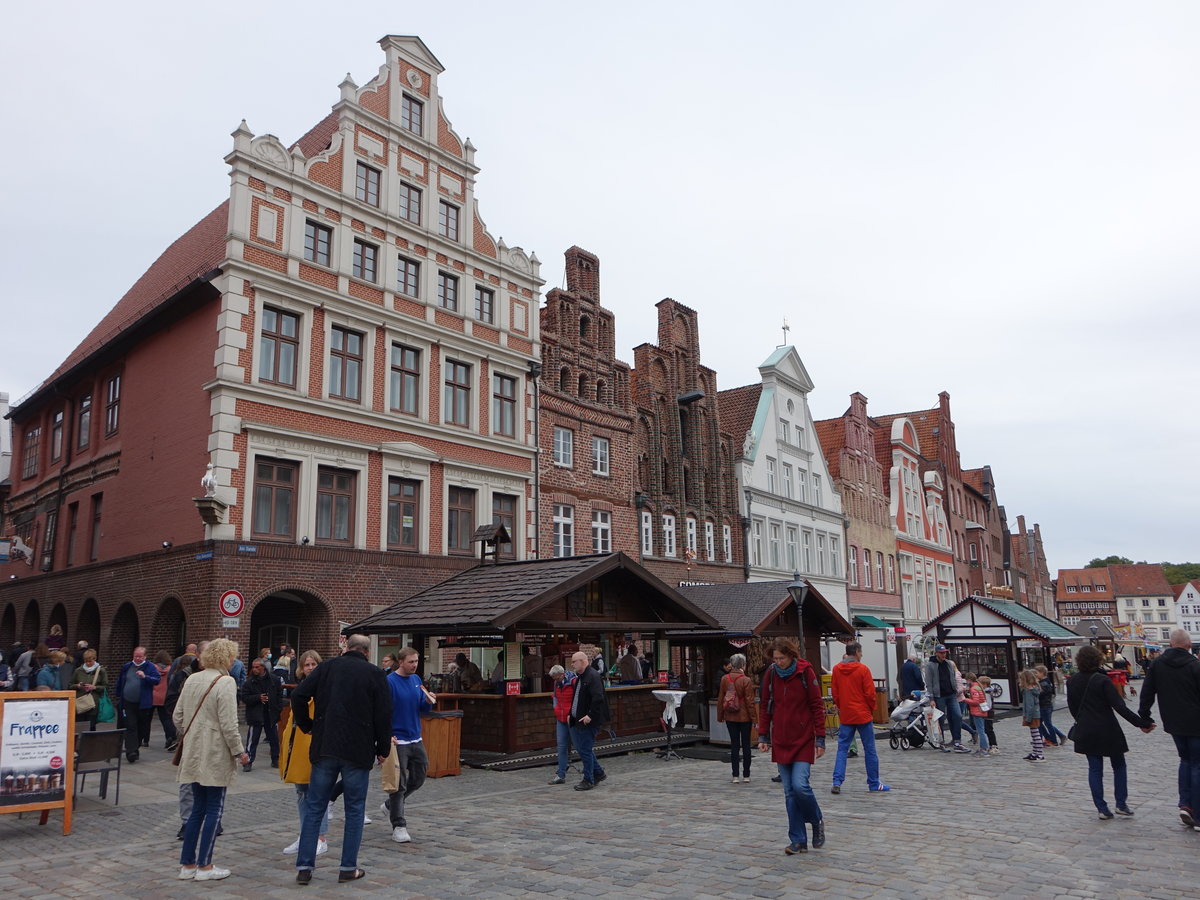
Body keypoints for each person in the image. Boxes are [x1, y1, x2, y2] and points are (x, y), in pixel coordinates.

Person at [290, 634, 392, 885]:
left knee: (315, 807)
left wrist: (307, 725)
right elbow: (383, 713)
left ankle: (304, 866)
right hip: (358, 749)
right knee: (355, 809)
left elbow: (298, 696)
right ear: (367, 652)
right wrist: (383, 747)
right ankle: (348, 867)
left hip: (325, 745)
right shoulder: (374, 674)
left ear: (346, 647)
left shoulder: (326, 668)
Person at [174, 638, 248, 881]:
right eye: (232, 656)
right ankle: (205, 865)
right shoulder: (226, 682)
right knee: (214, 809)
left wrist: (194, 732)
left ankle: (187, 864)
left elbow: (177, 716)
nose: (234, 660)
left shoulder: (193, 678)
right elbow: (229, 723)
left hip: (193, 751)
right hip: (215, 752)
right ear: (226, 657)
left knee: (197, 808)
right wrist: (239, 751)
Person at [1067, 644, 1154, 819]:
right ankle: (1121, 803)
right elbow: (1120, 707)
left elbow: (1072, 707)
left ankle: (1101, 808)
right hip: (1107, 728)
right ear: (1097, 660)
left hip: (1086, 729)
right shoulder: (1102, 680)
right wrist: (1141, 723)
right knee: (1119, 766)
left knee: (1094, 769)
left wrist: (1083, 719)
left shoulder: (1072, 681)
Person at [758, 637, 826, 855]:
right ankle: (797, 840)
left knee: (800, 786)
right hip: (781, 739)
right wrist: (763, 736)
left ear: (791, 656)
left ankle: (816, 820)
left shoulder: (805, 673)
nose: (778, 662)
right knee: (789, 792)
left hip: (803, 738)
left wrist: (820, 738)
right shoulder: (771, 674)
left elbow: (817, 706)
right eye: (775, 658)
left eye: (782, 658)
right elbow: (766, 706)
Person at [1136, 628, 1200, 828]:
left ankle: (1185, 804)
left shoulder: (1157, 665)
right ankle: (1198, 814)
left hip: (1174, 722)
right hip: (1197, 722)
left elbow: (1147, 692)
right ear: (1189, 645)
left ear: (1171, 644)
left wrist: (1144, 718)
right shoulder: (1195, 666)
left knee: (1185, 760)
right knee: (1197, 764)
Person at [382, 646, 435, 843]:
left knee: (419, 777)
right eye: (411, 662)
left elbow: (421, 705)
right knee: (398, 783)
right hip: (398, 739)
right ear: (401, 662)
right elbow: (383, 711)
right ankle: (399, 825)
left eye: (417, 661)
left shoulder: (416, 680)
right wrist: (387, 735)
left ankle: (390, 805)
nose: (415, 665)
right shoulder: (389, 682)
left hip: (416, 737)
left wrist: (428, 701)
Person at [280, 650, 329, 857]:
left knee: (317, 793)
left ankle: (320, 836)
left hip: (314, 746)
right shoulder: (300, 689)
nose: (310, 668)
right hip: (297, 746)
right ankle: (305, 833)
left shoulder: (324, 690)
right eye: (307, 664)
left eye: (313, 664)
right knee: (301, 793)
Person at [830, 641, 889, 793]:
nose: (861, 655)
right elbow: (870, 694)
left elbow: (835, 693)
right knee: (870, 750)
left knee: (842, 749)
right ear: (856, 652)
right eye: (861, 652)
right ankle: (874, 783)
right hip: (862, 714)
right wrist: (870, 709)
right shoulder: (863, 669)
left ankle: (837, 781)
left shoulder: (836, 669)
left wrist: (843, 707)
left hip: (847, 715)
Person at [568, 650, 610, 791]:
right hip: (579, 718)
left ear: (583, 661)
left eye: (574, 661)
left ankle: (588, 779)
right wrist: (571, 713)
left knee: (585, 749)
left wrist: (590, 715)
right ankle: (598, 772)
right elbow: (577, 698)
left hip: (588, 720)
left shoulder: (592, 676)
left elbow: (598, 697)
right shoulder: (582, 676)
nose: (572, 664)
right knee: (584, 748)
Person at [716, 652, 757, 784]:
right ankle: (746, 775)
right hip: (745, 717)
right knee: (746, 745)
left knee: (734, 745)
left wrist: (720, 715)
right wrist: (755, 719)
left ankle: (735, 775)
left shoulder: (724, 679)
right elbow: (750, 702)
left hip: (730, 715)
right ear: (743, 665)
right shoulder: (746, 680)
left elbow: (721, 698)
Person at [115, 646, 161, 761]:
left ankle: (135, 747)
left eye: (140, 656)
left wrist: (145, 676)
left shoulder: (150, 667)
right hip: (127, 702)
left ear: (145, 656)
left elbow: (156, 680)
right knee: (130, 725)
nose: (138, 658)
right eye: (136, 656)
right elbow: (121, 680)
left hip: (143, 703)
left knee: (141, 727)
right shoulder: (127, 666)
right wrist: (119, 694)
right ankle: (131, 752)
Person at [923, 645, 971, 753]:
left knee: (957, 716)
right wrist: (931, 698)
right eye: (941, 653)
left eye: (944, 652)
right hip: (939, 696)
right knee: (940, 719)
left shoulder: (949, 663)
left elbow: (953, 677)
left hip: (951, 694)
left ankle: (957, 741)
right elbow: (929, 683)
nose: (943, 654)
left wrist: (955, 689)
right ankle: (941, 742)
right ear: (936, 653)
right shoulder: (930, 666)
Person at [240, 658, 282, 771]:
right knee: (252, 739)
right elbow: (244, 697)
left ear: (263, 667)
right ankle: (248, 760)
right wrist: (258, 698)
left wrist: (278, 708)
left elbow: (279, 694)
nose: (254, 669)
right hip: (256, 713)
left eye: (257, 667)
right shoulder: (249, 682)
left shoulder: (273, 680)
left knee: (274, 738)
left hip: (270, 713)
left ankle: (275, 758)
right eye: (253, 667)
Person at [547, 664, 576, 785]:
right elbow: (555, 697)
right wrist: (556, 709)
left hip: (572, 718)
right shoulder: (556, 684)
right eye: (554, 679)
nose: (556, 681)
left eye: (557, 678)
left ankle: (592, 771)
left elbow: (578, 698)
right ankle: (561, 774)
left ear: (562, 674)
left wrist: (573, 713)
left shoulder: (573, 681)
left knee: (580, 745)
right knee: (561, 746)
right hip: (561, 717)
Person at [71, 648, 107, 731]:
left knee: (91, 726)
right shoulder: (78, 671)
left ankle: (90, 743)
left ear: (95, 659)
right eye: (86, 661)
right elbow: (70, 685)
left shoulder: (101, 671)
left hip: (93, 703)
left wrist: (94, 687)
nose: (87, 663)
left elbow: (105, 686)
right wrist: (78, 686)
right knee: (79, 726)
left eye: (90, 661)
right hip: (80, 702)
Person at [1035, 664, 1067, 747]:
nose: (1036, 674)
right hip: (1045, 706)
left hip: (1045, 706)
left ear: (1042, 673)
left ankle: (1053, 740)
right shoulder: (1045, 682)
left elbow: (1041, 694)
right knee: (1040, 723)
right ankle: (1055, 737)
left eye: (1037, 673)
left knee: (1047, 723)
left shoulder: (1044, 683)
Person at [152, 650, 178, 750]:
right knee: (167, 718)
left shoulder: (153, 668)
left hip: (155, 696)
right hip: (166, 696)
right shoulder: (170, 669)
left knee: (151, 718)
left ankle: (145, 739)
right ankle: (170, 736)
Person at [961, 672, 991, 757]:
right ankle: (983, 748)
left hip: (977, 711)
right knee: (981, 729)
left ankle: (983, 748)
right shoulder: (978, 686)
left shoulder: (974, 688)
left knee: (980, 730)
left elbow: (975, 701)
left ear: (969, 680)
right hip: (982, 710)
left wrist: (965, 699)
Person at [977, 675, 999, 754]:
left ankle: (993, 744)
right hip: (987, 713)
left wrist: (982, 709)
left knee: (989, 730)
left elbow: (988, 705)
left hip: (988, 714)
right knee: (987, 729)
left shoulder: (987, 693)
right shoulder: (986, 692)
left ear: (985, 684)